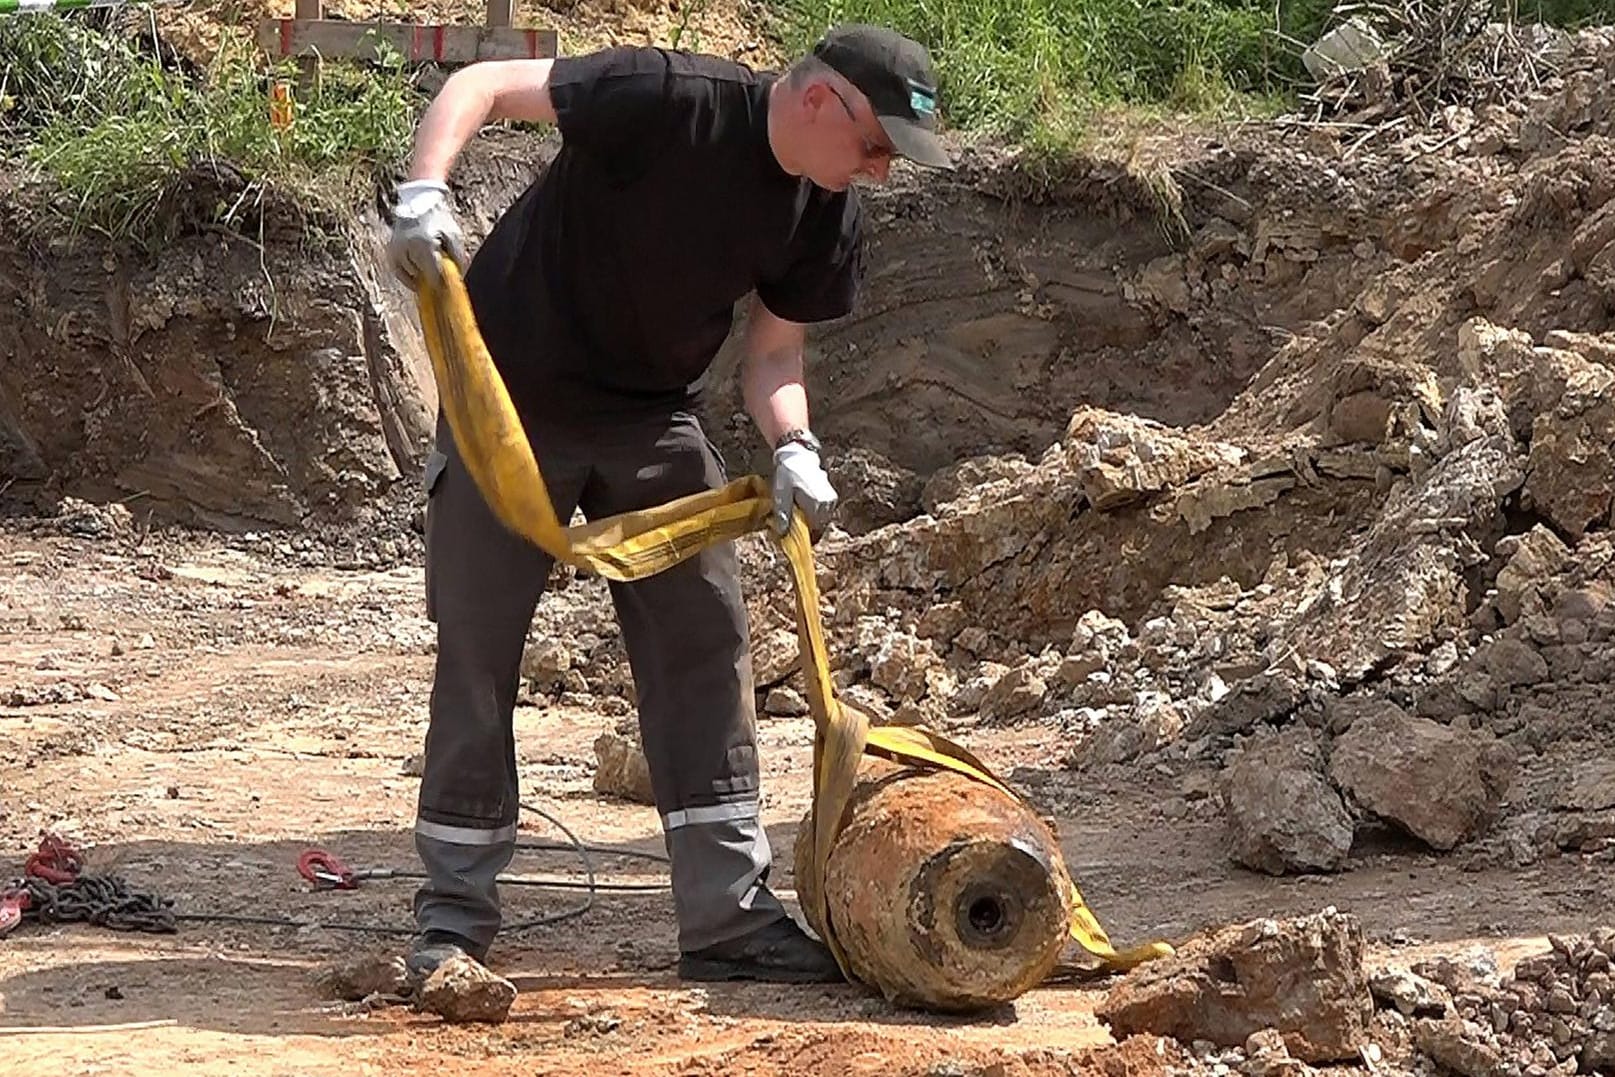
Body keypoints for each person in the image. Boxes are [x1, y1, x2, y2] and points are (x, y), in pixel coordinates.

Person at [387, 22, 953, 985]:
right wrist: (426, 190)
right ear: (821, 101)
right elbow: (481, 82)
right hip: (506, 396)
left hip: (652, 416)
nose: (881, 173)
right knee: (479, 653)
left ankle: (727, 920)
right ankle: (453, 920)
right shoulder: (665, 94)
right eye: (875, 147)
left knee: (705, 644)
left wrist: (795, 445)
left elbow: (773, 359)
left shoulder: (824, 211)